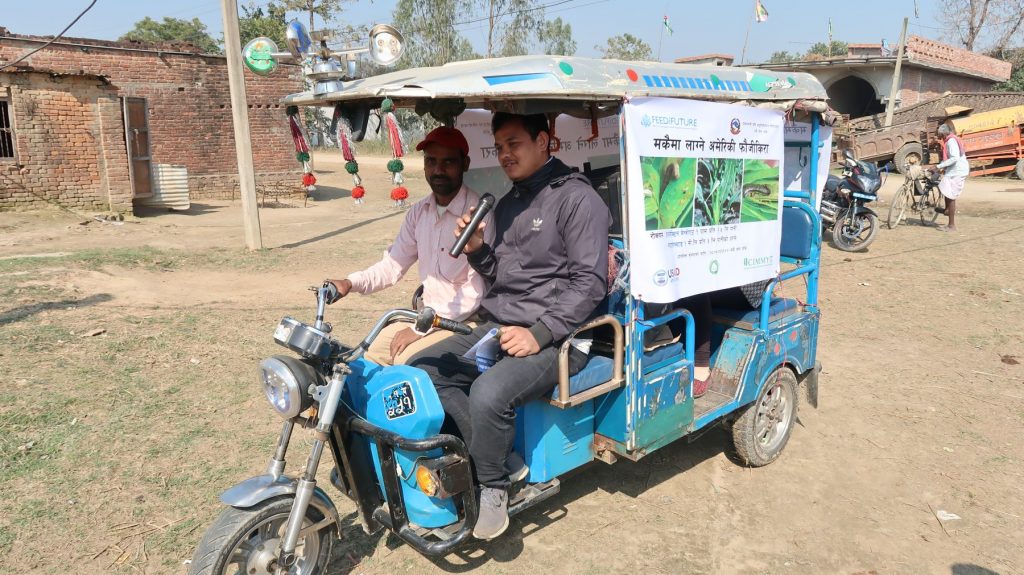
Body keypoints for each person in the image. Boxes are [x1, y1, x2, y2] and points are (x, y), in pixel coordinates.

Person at [408, 112, 611, 540]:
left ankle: (495, 490)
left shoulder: (578, 200)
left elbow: (590, 285)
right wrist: (480, 251)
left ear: (544, 142)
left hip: (563, 337)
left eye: (513, 144)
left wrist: (539, 333)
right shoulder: (508, 202)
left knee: (488, 392)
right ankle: (502, 460)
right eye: (499, 146)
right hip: (503, 324)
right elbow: (501, 278)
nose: (503, 154)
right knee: (426, 369)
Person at [325, 127, 493, 365]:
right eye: (431, 161)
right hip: (424, 317)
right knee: (367, 356)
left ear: (464, 164)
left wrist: (421, 329)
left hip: (464, 322)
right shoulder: (419, 212)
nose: (438, 170)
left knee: (405, 361)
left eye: (448, 162)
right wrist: (350, 283)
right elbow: (392, 266)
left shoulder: (478, 215)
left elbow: (474, 293)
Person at [934, 123, 968, 232]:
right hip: (953, 170)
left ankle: (951, 226)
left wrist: (938, 166)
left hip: (957, 171)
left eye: (940, 135)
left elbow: (954, 158)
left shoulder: (951, 141)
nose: (939, 137)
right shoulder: (950, 140)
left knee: (951, 196)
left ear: (944, 133)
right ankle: (948, 210)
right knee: (944, 187)